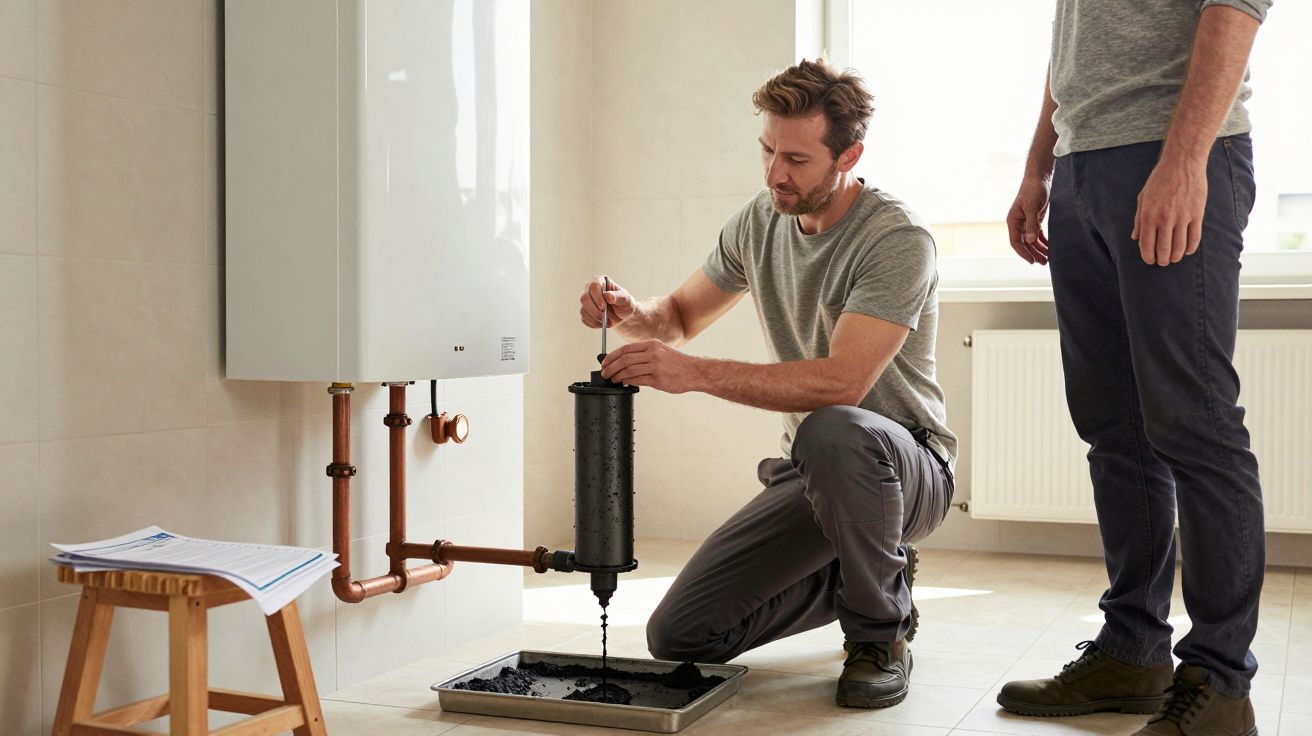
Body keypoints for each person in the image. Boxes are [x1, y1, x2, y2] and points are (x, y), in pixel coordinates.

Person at [576, 59, 955, 709]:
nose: (776, 173)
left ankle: (880, 634)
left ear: (849, 154)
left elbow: (844, 383)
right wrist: (629, 312)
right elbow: (678, 318)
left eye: (798, 160)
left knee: (834, 427)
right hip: (814, 470)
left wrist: (695, 377)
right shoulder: (760, 221)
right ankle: (875, 573)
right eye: (768, 151)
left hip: (906, 466)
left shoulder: (895, 237)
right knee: (681, 634)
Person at [997, 2, 1270, 734]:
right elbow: (1074, 43)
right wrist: (1040, 165)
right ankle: (1133, 650)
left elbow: (1237, 7)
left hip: (1174, 152)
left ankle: (1218, 682)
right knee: (1113, 426)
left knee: (1195, 421)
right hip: (1084, 165)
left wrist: (1183, 161)